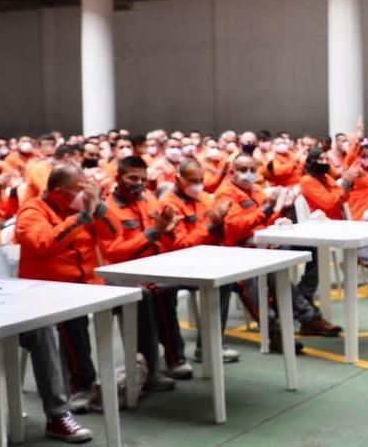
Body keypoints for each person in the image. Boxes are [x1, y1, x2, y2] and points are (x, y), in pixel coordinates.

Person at [16, 165, 120, 412]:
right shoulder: (31, 211)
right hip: (47, 290)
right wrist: (82, 217)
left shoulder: (81, 207)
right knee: (72, 319)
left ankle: (149, 367)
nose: (83, 194)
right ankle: (82, 385)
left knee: (145, 295)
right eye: (78, 189)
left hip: (85, 284)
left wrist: (99, 207)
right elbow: (43, 244)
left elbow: (113, 233)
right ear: (58, 191)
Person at [215, 155, 341, 350]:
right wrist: (266, 210)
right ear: (232, 171)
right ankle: (277, 328)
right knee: (259, 275)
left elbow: (264, 220)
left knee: (311, 246)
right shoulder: (226, 194)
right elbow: (234, 229)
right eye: (242, 169)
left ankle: (306, 303)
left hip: (266, 244)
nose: (248, 174)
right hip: (239, 252)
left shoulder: (256, 191)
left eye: (252, 169)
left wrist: (282, 212)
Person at [100, 155, 181, 392]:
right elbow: (114, 253)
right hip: (119, 274)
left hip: (149, 267)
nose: (138, 183)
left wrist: (167, 230)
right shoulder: (108, 209)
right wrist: (153, 233)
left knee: (169, 286)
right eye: (132, 178)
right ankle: (152, 369)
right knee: (149, 293)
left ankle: (174, 359)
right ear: (118, 178)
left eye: (143, 179)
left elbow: (160, 236)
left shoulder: (148, 200)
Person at [160, 158, 237, 369]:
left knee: (226, 280)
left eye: (201, 180)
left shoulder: (203, 198)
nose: (198, 185)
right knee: (163, 292)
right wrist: (211, 225)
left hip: (203, 262)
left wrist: (220, 222)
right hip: (174, 265)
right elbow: (181, 245)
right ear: (178, 179)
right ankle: (176, 356)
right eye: (193, 180)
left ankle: (209, 345)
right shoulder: (169, 204)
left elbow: (214, 234)